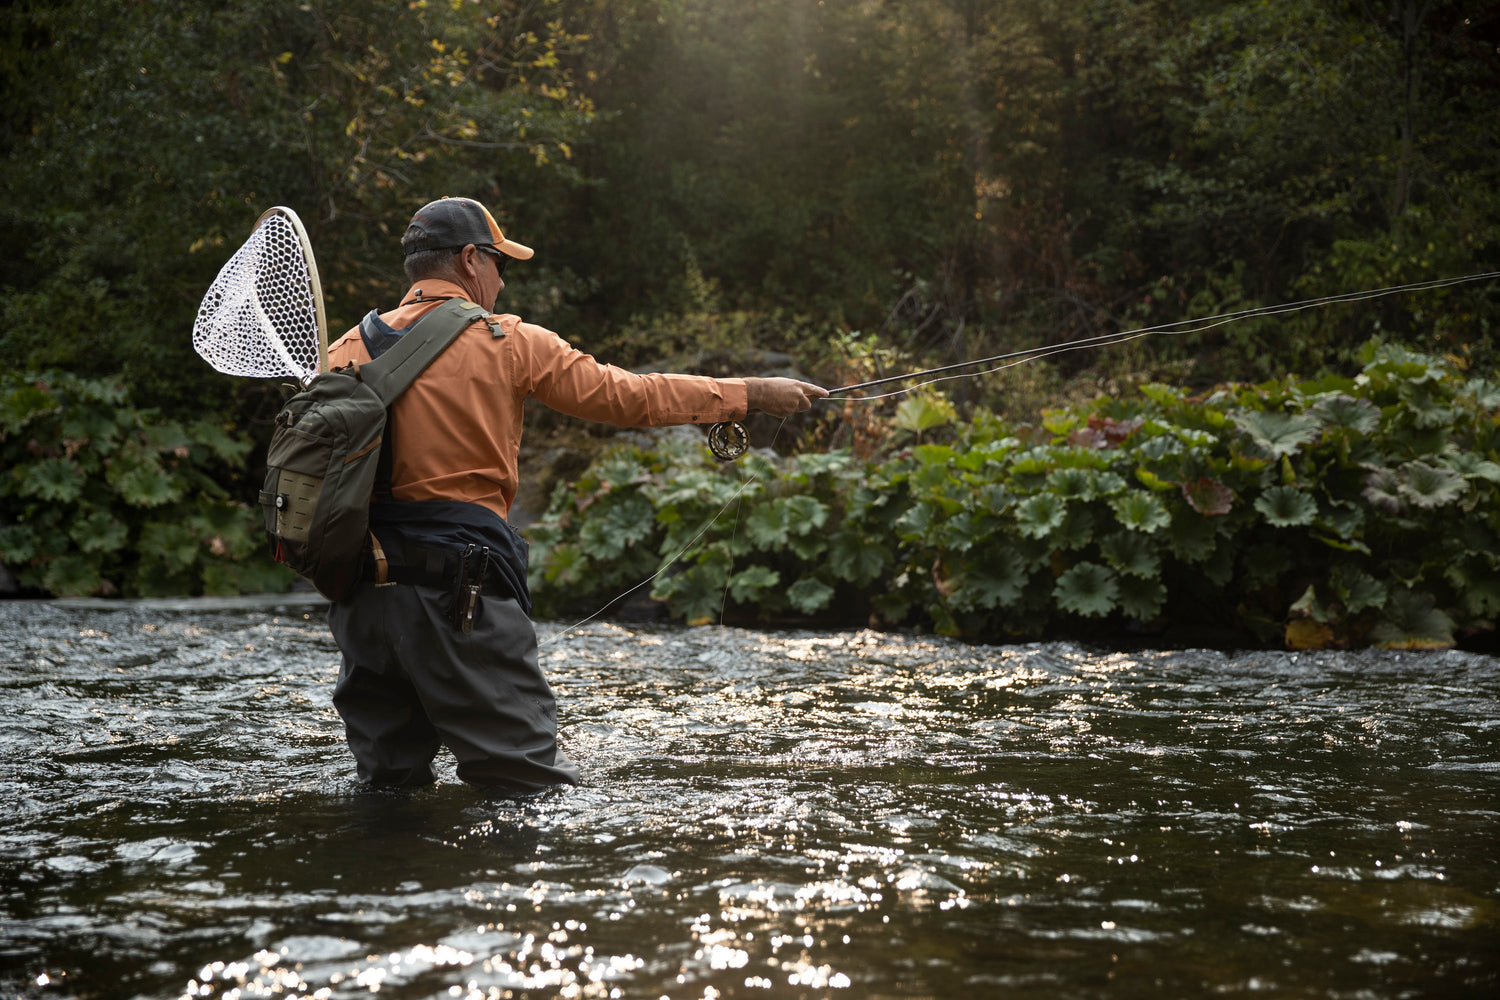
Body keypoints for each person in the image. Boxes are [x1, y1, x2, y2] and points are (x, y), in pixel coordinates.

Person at [324, 196, 827, 793]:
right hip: (457, 594)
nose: (502, 280)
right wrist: (750, 393)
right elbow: (630, 397)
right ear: (466, 260)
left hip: (360, 603)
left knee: (388, 788)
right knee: (527, 789)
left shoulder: (343, 351)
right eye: (497, 262)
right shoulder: (506, 340)